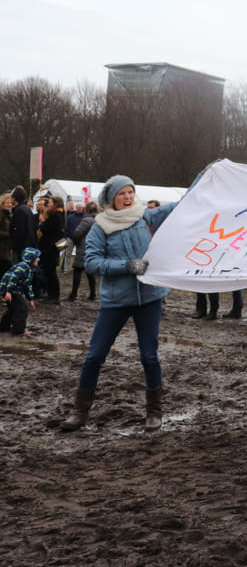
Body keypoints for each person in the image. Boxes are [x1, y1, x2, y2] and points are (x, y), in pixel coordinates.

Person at [60, 176, 179, 433]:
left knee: (149, 356)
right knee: (94, 356)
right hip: (116, 301)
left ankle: (154, 412)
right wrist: (127, 266)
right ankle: (80, 411)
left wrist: (205, 177)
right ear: (111, 198)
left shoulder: (146, 217)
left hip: (149, 298)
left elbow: (182, 205)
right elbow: (92, 262)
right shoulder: (100, 227)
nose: (127, 197)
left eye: (130, 192)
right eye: (121, 193)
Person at [0, 247, 40, 337]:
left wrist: (30, 299)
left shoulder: (29, 269)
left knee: (13, 309)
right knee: (22, 310)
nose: (38, 259)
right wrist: (8, 292)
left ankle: (3, 327)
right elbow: (12, 278)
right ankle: (18, 330)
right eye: (36, 257)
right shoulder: (23, 267)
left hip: (11, 290)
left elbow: (27, 285)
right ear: (31, 258)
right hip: (10, 290)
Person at [67, 202, 98, 302]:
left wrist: (77, 242)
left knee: (77, 270)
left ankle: (73, 295)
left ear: (87, 210)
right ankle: (93, 294)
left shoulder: (87, 220)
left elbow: (76, 234)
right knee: (90, 272)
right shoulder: (100, 220)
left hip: (84, 248)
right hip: (94, 248)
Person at [37, 195, 65, 303]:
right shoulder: (60, 214)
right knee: (49, 271)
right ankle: (51, 294)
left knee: (50, 272)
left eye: (50, 202)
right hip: (51, 247)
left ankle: (54, 295)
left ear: (55, 203)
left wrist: (42, 222)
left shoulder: (55, 216)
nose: (48, 203)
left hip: (50, 248)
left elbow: (45, 229)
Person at [0, 192, 13, 278]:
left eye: (11, 203)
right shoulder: (1, 214)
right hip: (2, 249)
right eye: (7, 202)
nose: (9, 205)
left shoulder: (9, 214)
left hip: (7, 248)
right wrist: (9, 235)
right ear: (2, 203)